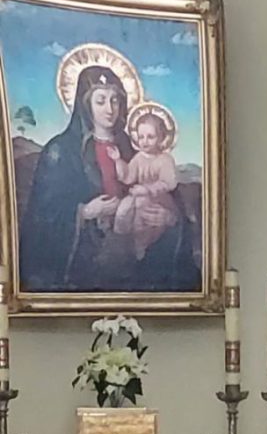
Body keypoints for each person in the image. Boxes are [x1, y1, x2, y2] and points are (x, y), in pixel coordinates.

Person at [19, 66, 196, 293]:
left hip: (134, 264)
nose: (110, 109)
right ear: (86, 105)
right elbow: (41, 216)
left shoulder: (135, 149)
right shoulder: (61, 151)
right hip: (85, 264)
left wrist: (169, 217)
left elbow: (170, 195)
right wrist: (84, 212)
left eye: (115, 100)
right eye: (101, 101)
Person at [111, 111, 179, 261]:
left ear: (161, 138)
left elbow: (169, 182)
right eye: (141, 137)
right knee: (123, 208)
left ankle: (141, 246)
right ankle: (119, 241)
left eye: (150, 137)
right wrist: (117, 161)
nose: (145, 141)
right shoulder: (138, 158)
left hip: (158, 198)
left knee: (143, 216)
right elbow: (128, 177)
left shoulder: (165, 160)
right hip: (138, 194)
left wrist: (147, 189)